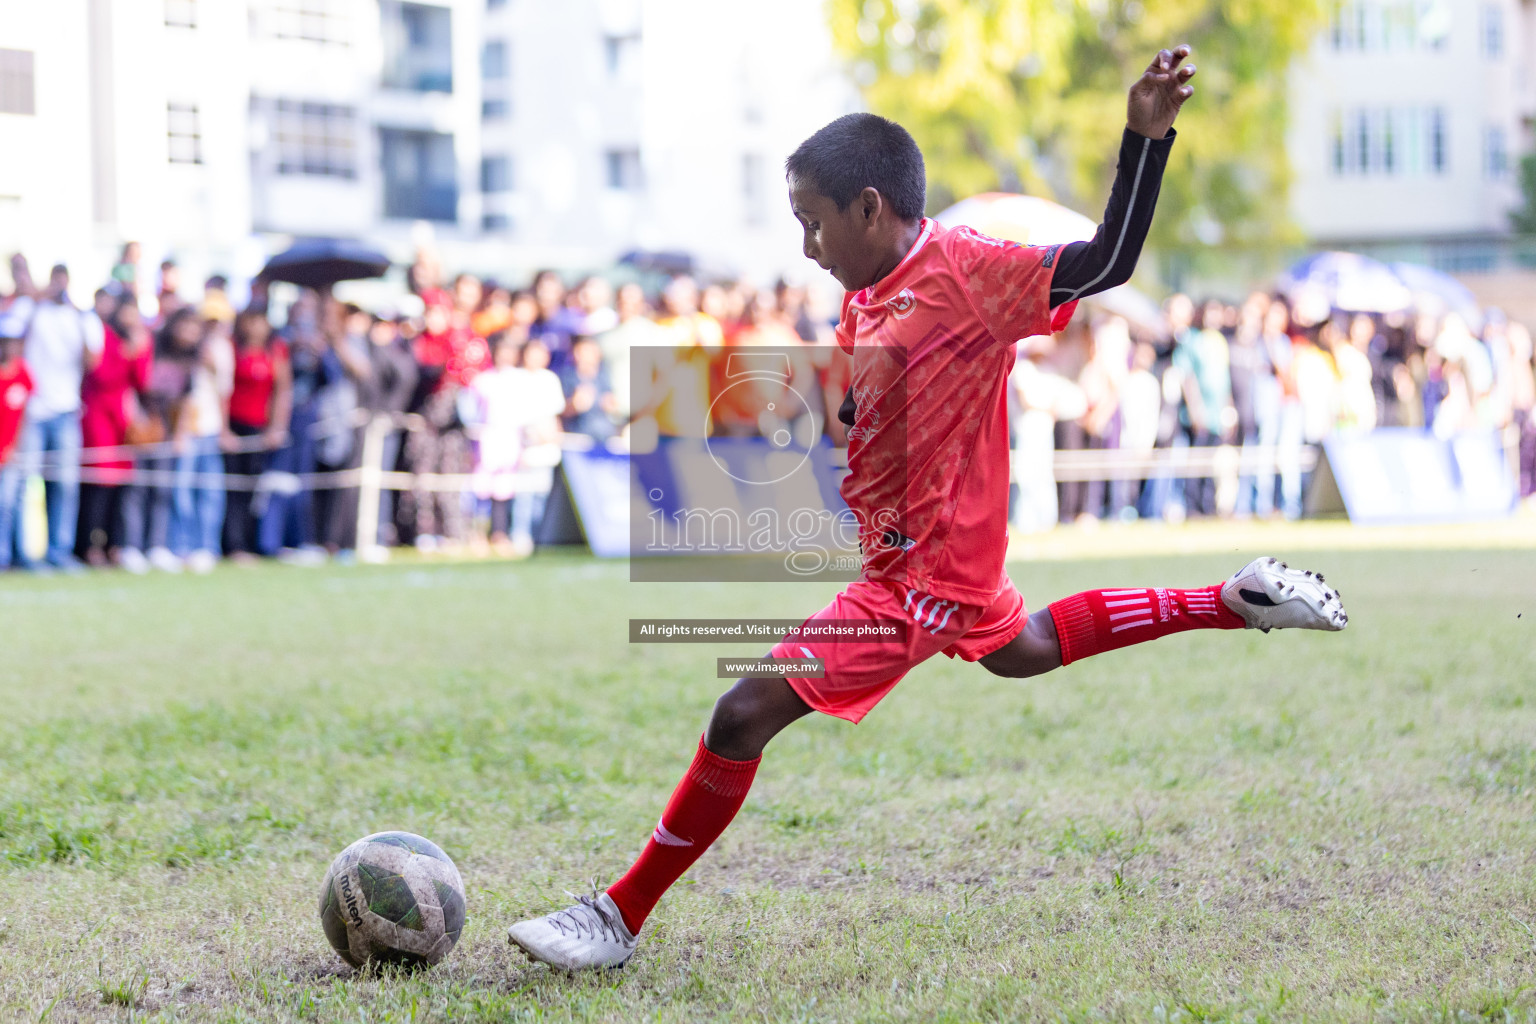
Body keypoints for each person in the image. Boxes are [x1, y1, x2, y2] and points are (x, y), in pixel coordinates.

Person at [505, 46, 1347, 971]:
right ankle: (1232, 599)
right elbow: (884, 398)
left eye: (813, 223)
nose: (805, 247)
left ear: (870, 207)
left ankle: (616, 917)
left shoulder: (971, 272)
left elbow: (1105, 263)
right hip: (921, 560)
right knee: (1020, 651)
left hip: (921, 575)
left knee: (741, 715)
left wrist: (1144, 138)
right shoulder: (866, 290)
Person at [11, 264, 103, 571]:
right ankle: (23, 553)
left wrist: (77, 316)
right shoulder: (31, 309)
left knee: (65, 485)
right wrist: (37, 303)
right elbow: (13, 346)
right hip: (33, 410)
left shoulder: (82, 317)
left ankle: (58, 551)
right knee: (25, 485)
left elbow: (93, 362)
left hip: (66, 410)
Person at [77, 290, 153, 566]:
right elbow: (99, 375)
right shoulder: (104, 335)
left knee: (121, 485)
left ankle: (113, 543)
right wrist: (127, 353)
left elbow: (143, 383)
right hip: (98, 415)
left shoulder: (136, 340)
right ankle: (88, 544)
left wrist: (140, 352)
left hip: (122, 419)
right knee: (98, 481)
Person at [223, 310, 291, 561]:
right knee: (233, 488)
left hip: (259, 429)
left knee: (254, 489)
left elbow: (281, 390)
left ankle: (252, 542)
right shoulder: (233, 348)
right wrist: (224, 430)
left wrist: (276, 427)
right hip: (233, 425)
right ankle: (233, 544)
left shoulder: (275, 350)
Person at [0, 312, 34, 571]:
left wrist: (16, 446)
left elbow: (24, 413)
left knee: (10, 501)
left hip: (11, 452)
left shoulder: (22, 371)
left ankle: (10, 554)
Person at [558, 335, 617, 442]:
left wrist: (610, 404)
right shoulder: (567, 376)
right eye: (581, 352)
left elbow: (612, 404)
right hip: (577, 434)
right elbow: (560, 410)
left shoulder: (604, 376)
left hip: (603, 434)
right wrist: (574, 405)